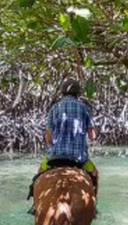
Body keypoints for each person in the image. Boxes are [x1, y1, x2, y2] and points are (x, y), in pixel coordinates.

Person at [27, 78, 99, 213]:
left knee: (39, 174)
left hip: (55, 157)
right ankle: (93, 208)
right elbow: (92, 135)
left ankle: (35, 206)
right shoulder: (84, 108)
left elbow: (48, 137)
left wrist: (51, 144)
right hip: (79, 159)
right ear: (78, 93)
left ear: (62, 93)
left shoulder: (54, 108)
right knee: (95, 174)